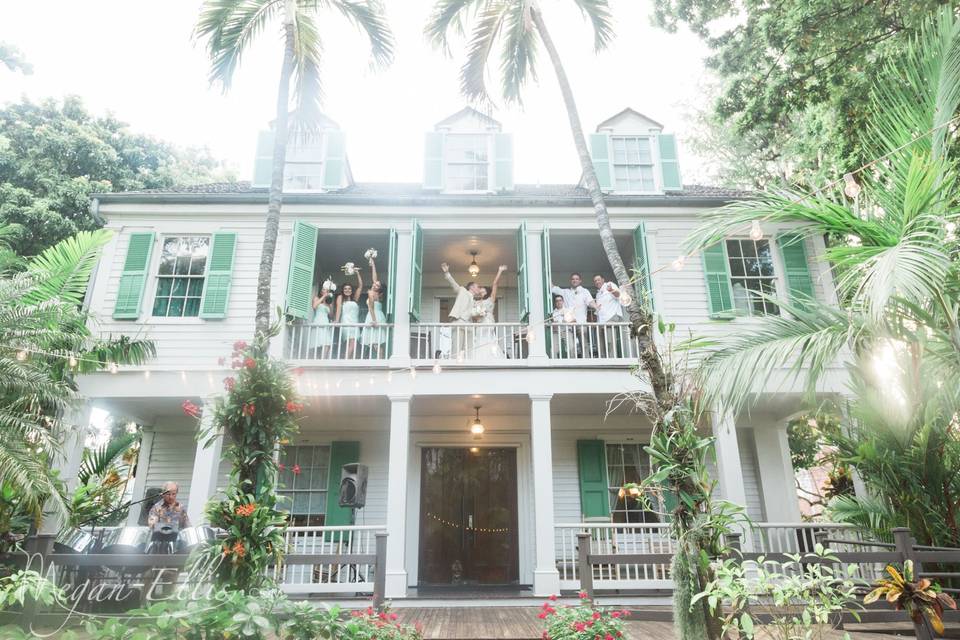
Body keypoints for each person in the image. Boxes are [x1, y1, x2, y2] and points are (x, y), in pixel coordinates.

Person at [441, 262, 484, 360]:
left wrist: (480, 313)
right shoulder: (463, 291)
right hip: (459, 321)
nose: (479, 289)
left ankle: (468, 364)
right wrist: (447, 273)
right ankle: (453, 365)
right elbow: (454, 284)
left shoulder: (475, 301)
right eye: (477, 287)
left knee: (469, 348)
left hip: (469, 325)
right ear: (471, 287)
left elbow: (475, 313)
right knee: (457, 346)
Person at [551, 273, 593, 357]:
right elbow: (552, 287)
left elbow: (591, 302)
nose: (575, 280)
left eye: (577, 279)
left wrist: (596, 307)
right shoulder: (565, 292)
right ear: (570, 281)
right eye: (573, 279)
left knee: (583, 343)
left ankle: (587, 361)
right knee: (571, 345)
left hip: (580, 322)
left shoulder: (584, 291)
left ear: (580, 281)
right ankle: (572, 360)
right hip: (568, 325)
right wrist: (546, 274)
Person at [472, 265, 508, 359]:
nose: (481, 289)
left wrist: (499, 270)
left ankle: (492, 357)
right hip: (480, 323)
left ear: (486, 291)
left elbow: (495, 284)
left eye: (483, 288)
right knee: (479, 340)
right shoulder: (476, 302)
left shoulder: (490, 299)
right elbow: (474, 316)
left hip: (488, 321)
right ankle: (479, 358)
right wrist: (479, 314)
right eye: (480, 289)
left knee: (489, 339)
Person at [361, 256, 388, 358]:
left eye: (377, 285)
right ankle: (379, 359)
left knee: (375, 341)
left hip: (374, 316)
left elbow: (371, 308)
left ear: (378, 289)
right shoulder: (374, 292)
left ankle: (379, 361)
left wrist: (374, 320)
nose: (375, 284)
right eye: (375, 283)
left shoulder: (372, 294)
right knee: (374, 341)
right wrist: (373, 264)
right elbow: (374, 277)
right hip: (377, 315)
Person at [593, 274, 624, 358]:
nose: (597, 282)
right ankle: (603, 361)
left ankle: (613, 359)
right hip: (601, 321)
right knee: (600, 344)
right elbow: (598, 310)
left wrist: (611, 290)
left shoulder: (609, 285)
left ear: (603, 280)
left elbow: (619, 295)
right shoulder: (598, 294)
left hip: (611, 317)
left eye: (598, 280)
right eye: (595, 281)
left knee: (610, 342)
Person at [335, 269, 364, 359]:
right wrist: (336, 321)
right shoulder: (340, 297)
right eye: (345, 289)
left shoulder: (355, 298)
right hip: (346, 322)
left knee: (353, 343)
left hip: (355, 323)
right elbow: (338, 309)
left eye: (349, 289)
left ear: (351, 290)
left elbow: (360, 286)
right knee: (351, 342)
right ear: (343, 290)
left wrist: (357, 273)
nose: (347, 290)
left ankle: (346, 359)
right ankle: (346, 360)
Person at [310, 284, 335, 360]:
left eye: (327, 290)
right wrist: (324, 297)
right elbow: (314, 306)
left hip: (325, 323)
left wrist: (330, 304)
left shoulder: (328, 303)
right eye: (324, 289)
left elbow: (331, 316)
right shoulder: (316, 298)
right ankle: (315, 359)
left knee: (327, 343)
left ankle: (322, 359)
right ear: (321, 291)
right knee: (317, 343)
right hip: (318, 321)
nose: (325, 291)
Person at [550, 294, 577, 359]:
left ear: (563, 301)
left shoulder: (568, 310)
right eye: (557, 301)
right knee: (553, 349)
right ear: (555, 303)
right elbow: (552, 323)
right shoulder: (553, 313)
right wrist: (553, 323)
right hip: (556, 332)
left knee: (571, 347)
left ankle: (573, 363)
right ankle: (554, 365)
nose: (559, 302)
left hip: (566, 330)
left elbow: (574, 321)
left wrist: (567, 320)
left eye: (560, 300)